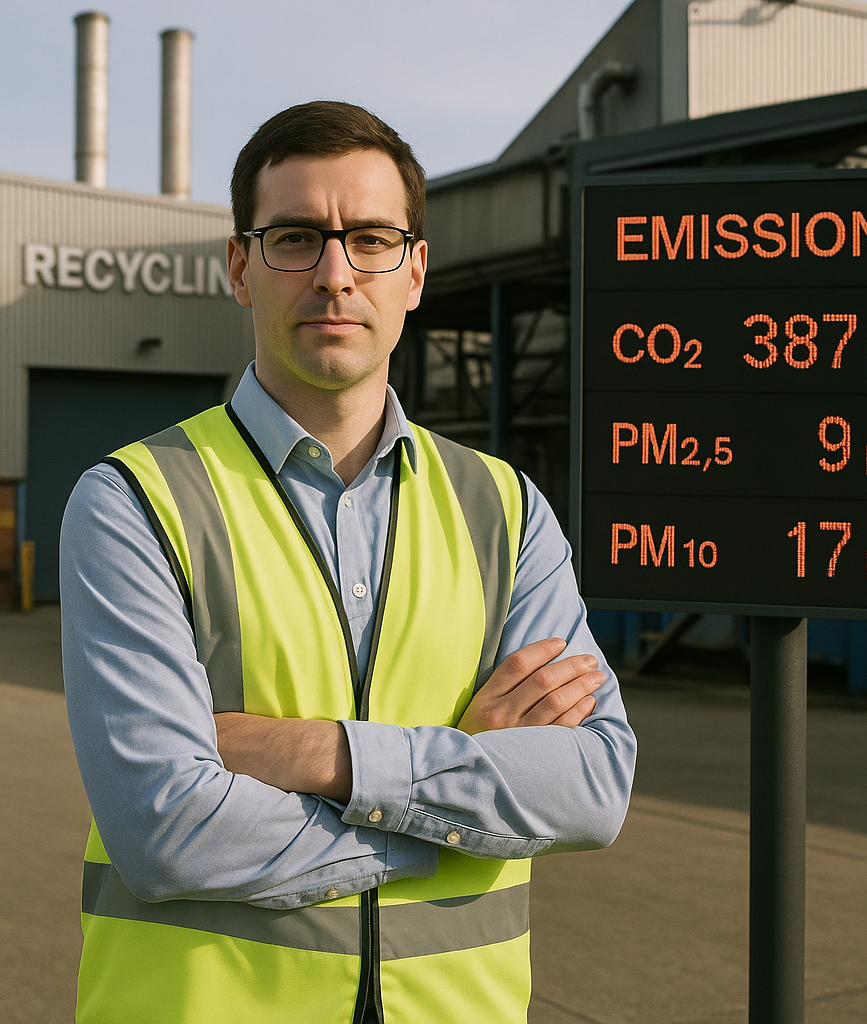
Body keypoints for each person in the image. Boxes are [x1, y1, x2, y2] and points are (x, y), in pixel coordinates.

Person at [60, 100, 635, 1024]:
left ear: (415, 271)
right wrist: (462, 801)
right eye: (295, 238)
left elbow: (593, 787)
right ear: (240, 268)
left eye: (371, 239)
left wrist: (315, 753)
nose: (335, 274)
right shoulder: (135, 500)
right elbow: (165, 830)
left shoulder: (506, 508)